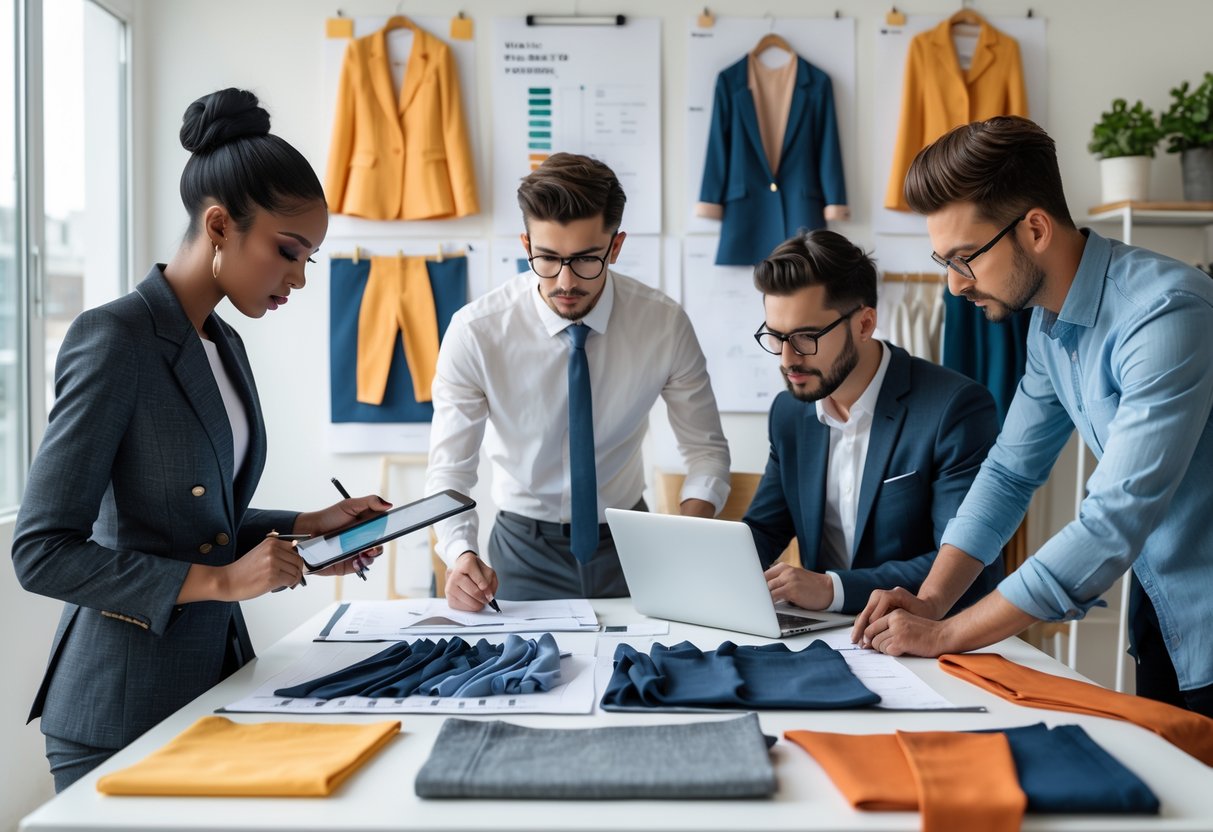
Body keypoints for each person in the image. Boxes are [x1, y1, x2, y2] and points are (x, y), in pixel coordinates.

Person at [11, 88, 389, 792]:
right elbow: (41, 551)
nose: (300, 278)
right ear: (219, 225)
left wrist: (309, 530)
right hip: (118, 711)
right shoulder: (115, 339)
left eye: (309, 258)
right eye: (288, 251)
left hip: (214, 686)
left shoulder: (223, 344)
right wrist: (222, 582)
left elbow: (189, 523)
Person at [853, 115, 1213, 717]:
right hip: (1164, 609)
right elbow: (1009, 473)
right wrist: (932, 600)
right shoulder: (1049, 327)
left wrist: (947, 635)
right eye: (944, 260)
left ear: (1036, 229)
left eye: (965, 258)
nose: (953, 284)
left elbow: (1112, 519)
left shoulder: (1165, 313)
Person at [426, 152, 731, 610]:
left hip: (633, 542)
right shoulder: (476, 332)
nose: (565, 282)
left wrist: (683, 534)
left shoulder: (663, 324)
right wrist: (460, 552)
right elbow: (450, 471)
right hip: (521, 547)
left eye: (587, 259)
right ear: (526, 244)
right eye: (547, 258)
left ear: (616, 246)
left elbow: (706, 452)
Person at [743, 229, 1003, 614]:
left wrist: (834, 589)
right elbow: (764, 531)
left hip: (927, 634)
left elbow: (961, 562)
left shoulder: (954, 408)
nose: (786, 359)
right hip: (821, 636)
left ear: (864, 325)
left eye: (805, 337)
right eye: (776, 337)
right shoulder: (790, 413)